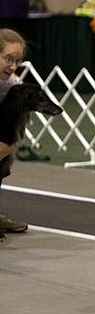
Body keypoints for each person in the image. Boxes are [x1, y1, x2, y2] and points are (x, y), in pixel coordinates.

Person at [0, 28, 28, 235]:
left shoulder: (14, 85)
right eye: (8, 59)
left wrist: (7, 146)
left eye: (17, 61)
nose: (13, 66)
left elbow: (18, 129)